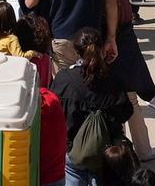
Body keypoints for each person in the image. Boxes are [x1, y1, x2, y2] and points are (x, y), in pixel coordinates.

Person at [53, 27, 133, 186]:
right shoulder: (113, 80)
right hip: (106, 156)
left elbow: (55, 113)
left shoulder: (64, 80)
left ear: (76, 50)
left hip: (73, 155)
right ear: (102, 49)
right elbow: (126, 112)